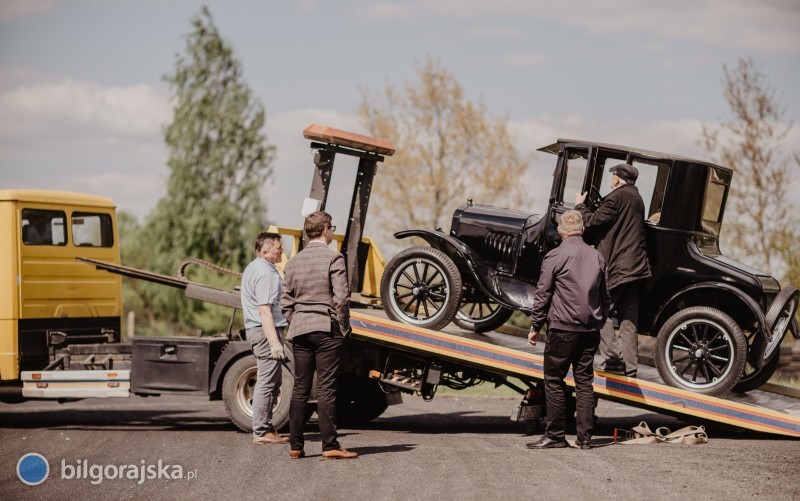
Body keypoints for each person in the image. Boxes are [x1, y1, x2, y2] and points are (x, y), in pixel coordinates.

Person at [526, 210, 611, 450]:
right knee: (584, 382)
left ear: (561, 231)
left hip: (562, 328)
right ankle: (585, 439)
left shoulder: (555, 255)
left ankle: (555, 436)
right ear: (582, 230)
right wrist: (599, 320)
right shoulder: (597, 256)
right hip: (590, 330)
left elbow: (543, 294)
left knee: (554, 380)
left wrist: (535, 326)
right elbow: (606, 296)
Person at [280, 211, 357, 460]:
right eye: (332, 227)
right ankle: (330, 446)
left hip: (300, 330)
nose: (332, 232)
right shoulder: (334, 258)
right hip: (326, 328)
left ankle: (295, 446)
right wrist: (342, 326)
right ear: (325, 230)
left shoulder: (293, 262)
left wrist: (297, 321)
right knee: (326, 389)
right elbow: (342, 298)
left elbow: (285, 301)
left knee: (300, 387)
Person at [575, 163, 651, 378]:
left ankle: (613, 359)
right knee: (629, 320)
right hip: (636, 266)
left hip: (619, 265)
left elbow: (592, 222)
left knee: (598, 310)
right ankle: (630, 367)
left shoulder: (616, 197)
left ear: (617, 179)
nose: (611, 180)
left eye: (612, 176)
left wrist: (580, 206)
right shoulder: (637, 198)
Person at [240, 232, 290, 445]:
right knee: (267, 382)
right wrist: (274, 343)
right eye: (279, 249)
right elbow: (265, 311)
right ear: (265, 251)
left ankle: (266, 428)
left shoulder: (253, 267)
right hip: (264, 330)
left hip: (257, 329)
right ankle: (261, 431)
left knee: (272, 380)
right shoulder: (266, 274)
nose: (283, 251)